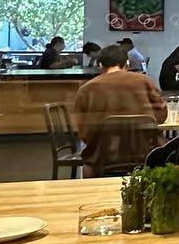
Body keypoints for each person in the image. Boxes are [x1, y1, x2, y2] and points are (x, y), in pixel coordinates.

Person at [71, 44, 167, 175]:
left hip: (102, 157)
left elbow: (83, 130)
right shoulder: (144, 81)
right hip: (146, 154)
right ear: (127, 64)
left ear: (100, 65)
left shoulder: (87, 89)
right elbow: (161, 116)